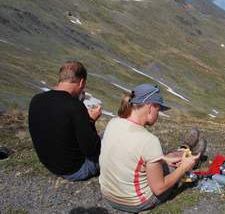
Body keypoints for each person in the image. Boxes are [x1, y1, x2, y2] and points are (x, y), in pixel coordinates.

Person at [99, 84, 205, 213]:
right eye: (158, 109)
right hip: (135, 202)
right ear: (150, 107)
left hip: (108, 196)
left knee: (167, 158)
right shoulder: (149, 140)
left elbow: (129, 155)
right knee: (174, 165)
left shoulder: (113, 123)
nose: (158, 114)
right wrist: (183, 168)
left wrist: (164, 159)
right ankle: (191, 158)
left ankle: (185, 150)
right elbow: (158, 188)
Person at [28, 61, 102, 181]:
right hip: (76, 170)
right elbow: (92, 149)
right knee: (113, 134)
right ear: (82, 82)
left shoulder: (36, 100)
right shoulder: (75, 107)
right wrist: (90, 121)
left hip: (50, 164)